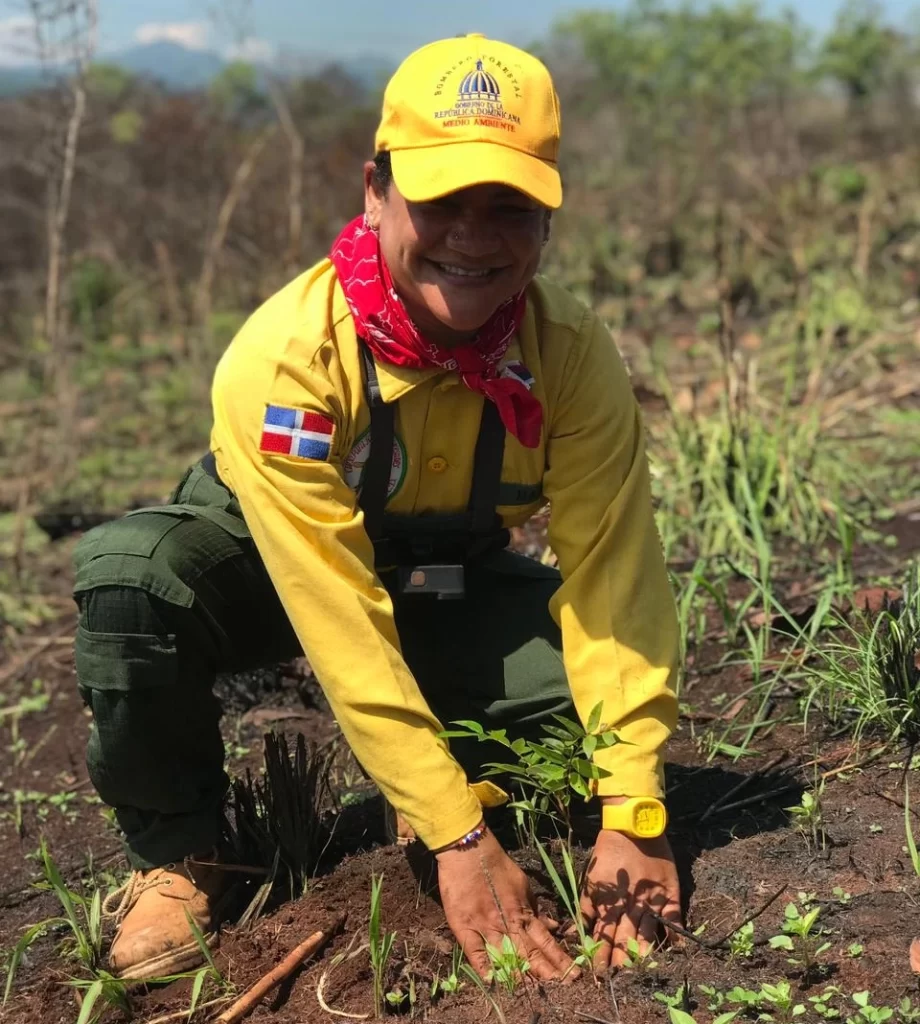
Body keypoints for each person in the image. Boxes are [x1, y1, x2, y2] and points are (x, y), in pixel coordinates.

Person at [71, 32, 682, 984]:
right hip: (276, 579)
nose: (474, 235)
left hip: (436, 584)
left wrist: (632, 810)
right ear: (375, 190)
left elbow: (614, 580)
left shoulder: (568, 356)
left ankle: (458, 767)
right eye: (442, 201)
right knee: (130, 582)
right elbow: (337, 612)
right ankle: (185, 856)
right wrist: (456, 834)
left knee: (593, 696)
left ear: (548, 221)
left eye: (509, 207)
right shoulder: (289, 359)